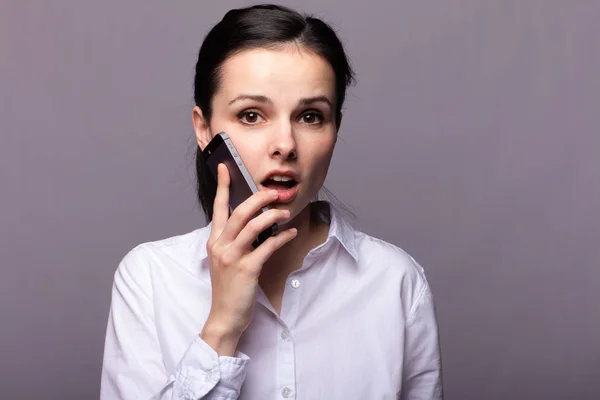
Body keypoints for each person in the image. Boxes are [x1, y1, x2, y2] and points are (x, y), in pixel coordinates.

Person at [100, 4, 442, 399]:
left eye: (311, 117)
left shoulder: (396, 283)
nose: (285, 145)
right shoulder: (150, 280)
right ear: (204, 128)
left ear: (336, 129)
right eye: (250, 115)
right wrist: (223, 326)